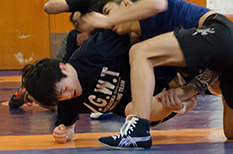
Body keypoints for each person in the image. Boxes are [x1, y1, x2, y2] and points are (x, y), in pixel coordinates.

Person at [77, 0, 233, 149]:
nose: (109, 23)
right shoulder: (157, 56)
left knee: (138, 52)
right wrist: (177, 102)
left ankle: (138, 130)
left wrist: (104, 21)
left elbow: (158, 4)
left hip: (221, 31)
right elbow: (188, 94)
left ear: (126, 4)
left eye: (108, 12)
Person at [21, 27, 199, 143]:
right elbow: (68, 127)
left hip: (161, 71)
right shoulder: (67, 101)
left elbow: (134, 32)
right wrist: (64, 133)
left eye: (64, 89)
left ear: (63, 67)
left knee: (135, 107)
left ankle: (189, 83)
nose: (68, 96)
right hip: (149, 108)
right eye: (61, 97)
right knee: (133, 110)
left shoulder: (95, 51)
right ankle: (183, 102)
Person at [9, 0, 104, 110]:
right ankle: (29, 95)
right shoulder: (74, 39)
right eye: (77, 25)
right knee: (62, 100)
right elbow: (49, 7)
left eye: (81, 23)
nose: (80, 27)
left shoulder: (103, 19)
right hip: (72, 74)